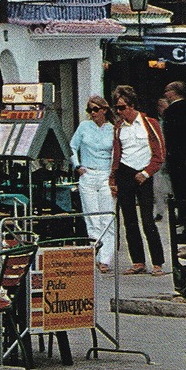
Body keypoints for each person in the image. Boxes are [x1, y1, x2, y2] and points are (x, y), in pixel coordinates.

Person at [109, 85, 166, 275]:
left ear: (132, 105)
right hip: (125, 172)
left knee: (148, 220)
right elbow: (116, 156)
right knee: (129, 221)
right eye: (117, 108)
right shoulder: (118, 128)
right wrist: (113, 180)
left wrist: (147, 173)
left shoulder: (149, 123)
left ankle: (157, 262)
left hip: (143, 173)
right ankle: (138, 261)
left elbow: (159, 155)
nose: (119, 112)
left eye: (122, 107)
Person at [69, 95, 117, 272]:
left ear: (104, 110)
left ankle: (105, 258)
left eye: (95, 109)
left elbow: (116, 152)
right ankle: (95, 253)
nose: (92, 113)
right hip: (88, 173)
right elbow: (72, 146)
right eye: (90, 110)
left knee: (107, 217)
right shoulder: (84, 126)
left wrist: (113, 174)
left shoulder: (112, 129)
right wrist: (77, 165)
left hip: (105, 174)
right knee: (91, 217)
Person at [160, 81, 186, 204]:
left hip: (176, 157)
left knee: (179, 191)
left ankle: (184, 218)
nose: (166, 94)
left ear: (174, 92)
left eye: (167, 91)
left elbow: (170, 137)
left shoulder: (170, 111)